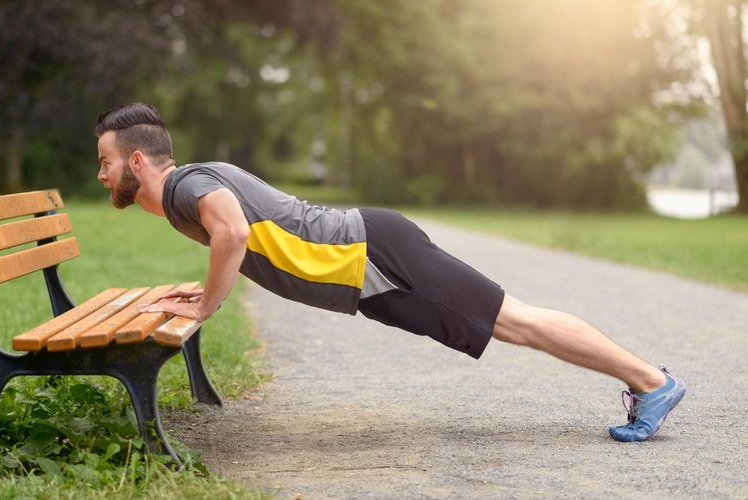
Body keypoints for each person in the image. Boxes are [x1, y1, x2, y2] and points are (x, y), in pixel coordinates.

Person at [94, 102, 685, 442]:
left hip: (374, 252)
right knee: (510, 324)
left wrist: (203, 308)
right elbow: (245, 236)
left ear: (137, 161)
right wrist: (207, 286)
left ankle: (652, 383)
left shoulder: (187, 186)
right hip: (366, 269)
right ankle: (647, 382)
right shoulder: (189, 183)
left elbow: (235, 232)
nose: (101, 174)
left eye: (106, 161)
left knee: (516, 321)